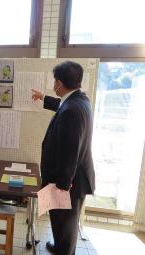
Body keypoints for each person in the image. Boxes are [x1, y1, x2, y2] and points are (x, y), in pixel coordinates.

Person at [31, 61, 95, 255]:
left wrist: (62, 187)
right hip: (74, 177)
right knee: (63, 224)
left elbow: (70, 150)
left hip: (67, 181)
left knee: (64, 223)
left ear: (58, 83)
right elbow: (62, 104)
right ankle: (60, 246)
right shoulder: (80, 100)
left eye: (54, 81)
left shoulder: (71, 112)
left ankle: (63, 250)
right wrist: (44, 98)